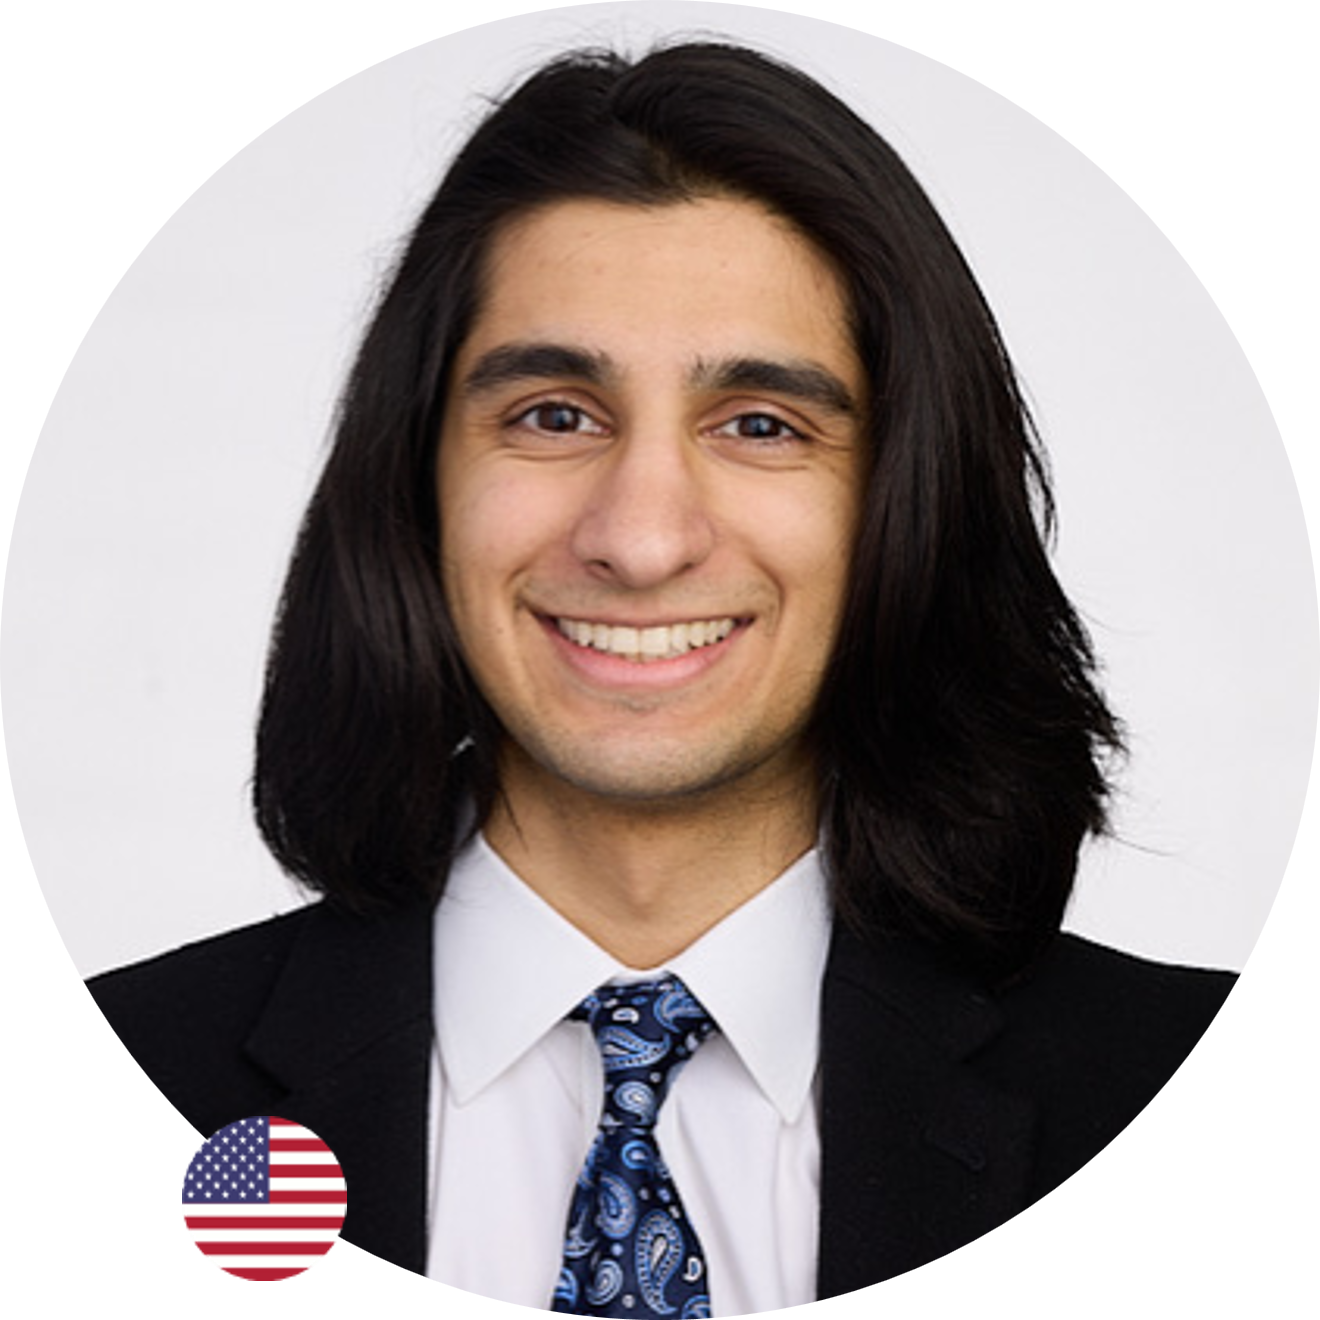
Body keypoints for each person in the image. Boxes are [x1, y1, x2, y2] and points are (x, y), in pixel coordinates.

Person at [84, 42, 1238, 1316]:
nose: (640, 540)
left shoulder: (1223, 1115)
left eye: (761, 426)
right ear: (415, 483)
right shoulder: (84, 1098)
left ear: (906, 506)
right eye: (554, 415)